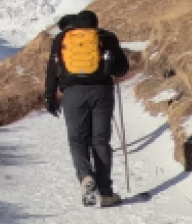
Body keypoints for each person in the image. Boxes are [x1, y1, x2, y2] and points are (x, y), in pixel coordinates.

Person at [44, 10, 130, 207]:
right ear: (95, 24)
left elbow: (53, 70)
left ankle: (85, 178)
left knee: (77, 140)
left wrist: (50, 96)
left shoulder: (62, 38)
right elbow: (122, 69)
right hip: (102, 92)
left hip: (73, 93)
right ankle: (106, 193)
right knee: (100, 140)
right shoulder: (106, 37)